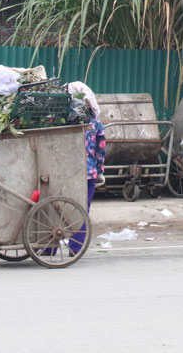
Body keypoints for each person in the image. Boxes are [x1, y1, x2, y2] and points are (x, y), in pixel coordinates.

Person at [67, 82, 106, 254]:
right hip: (88, 172)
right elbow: (101, 147)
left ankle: (49, 248)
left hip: (63, 172)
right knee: (82, 209)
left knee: (56, 208)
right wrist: (100, 170)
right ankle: (76, 248)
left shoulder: (62, 118)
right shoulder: (94, 120)